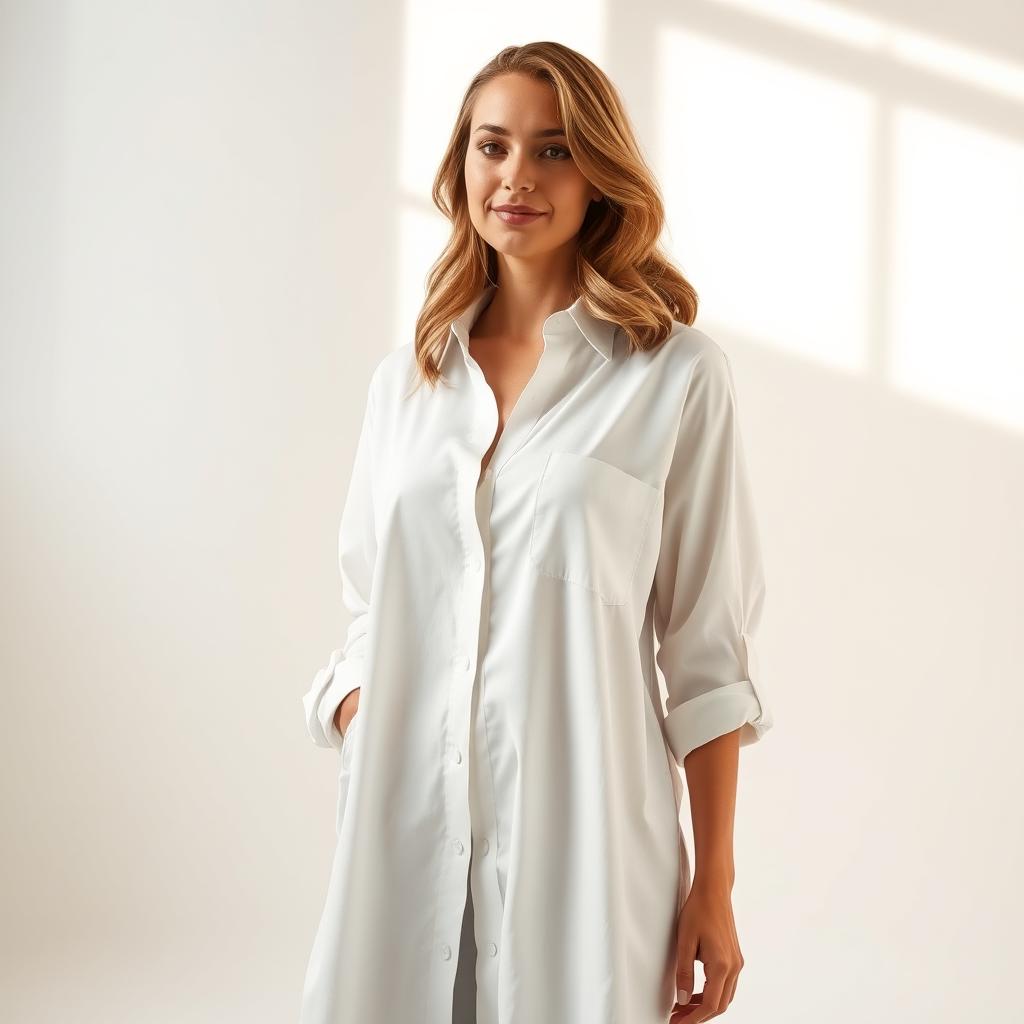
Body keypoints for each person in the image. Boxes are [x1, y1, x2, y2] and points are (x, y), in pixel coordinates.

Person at [299, 41, 774, 1024]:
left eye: (553, 150)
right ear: (460, 167)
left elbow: (705, 658)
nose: (517, 176)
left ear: (598, 175)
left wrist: (715, 883)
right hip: (406, 832)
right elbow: (364, 604)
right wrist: (363, 715)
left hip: (589, 844)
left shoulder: (674, 378)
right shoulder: (408, 382)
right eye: (492, 146)